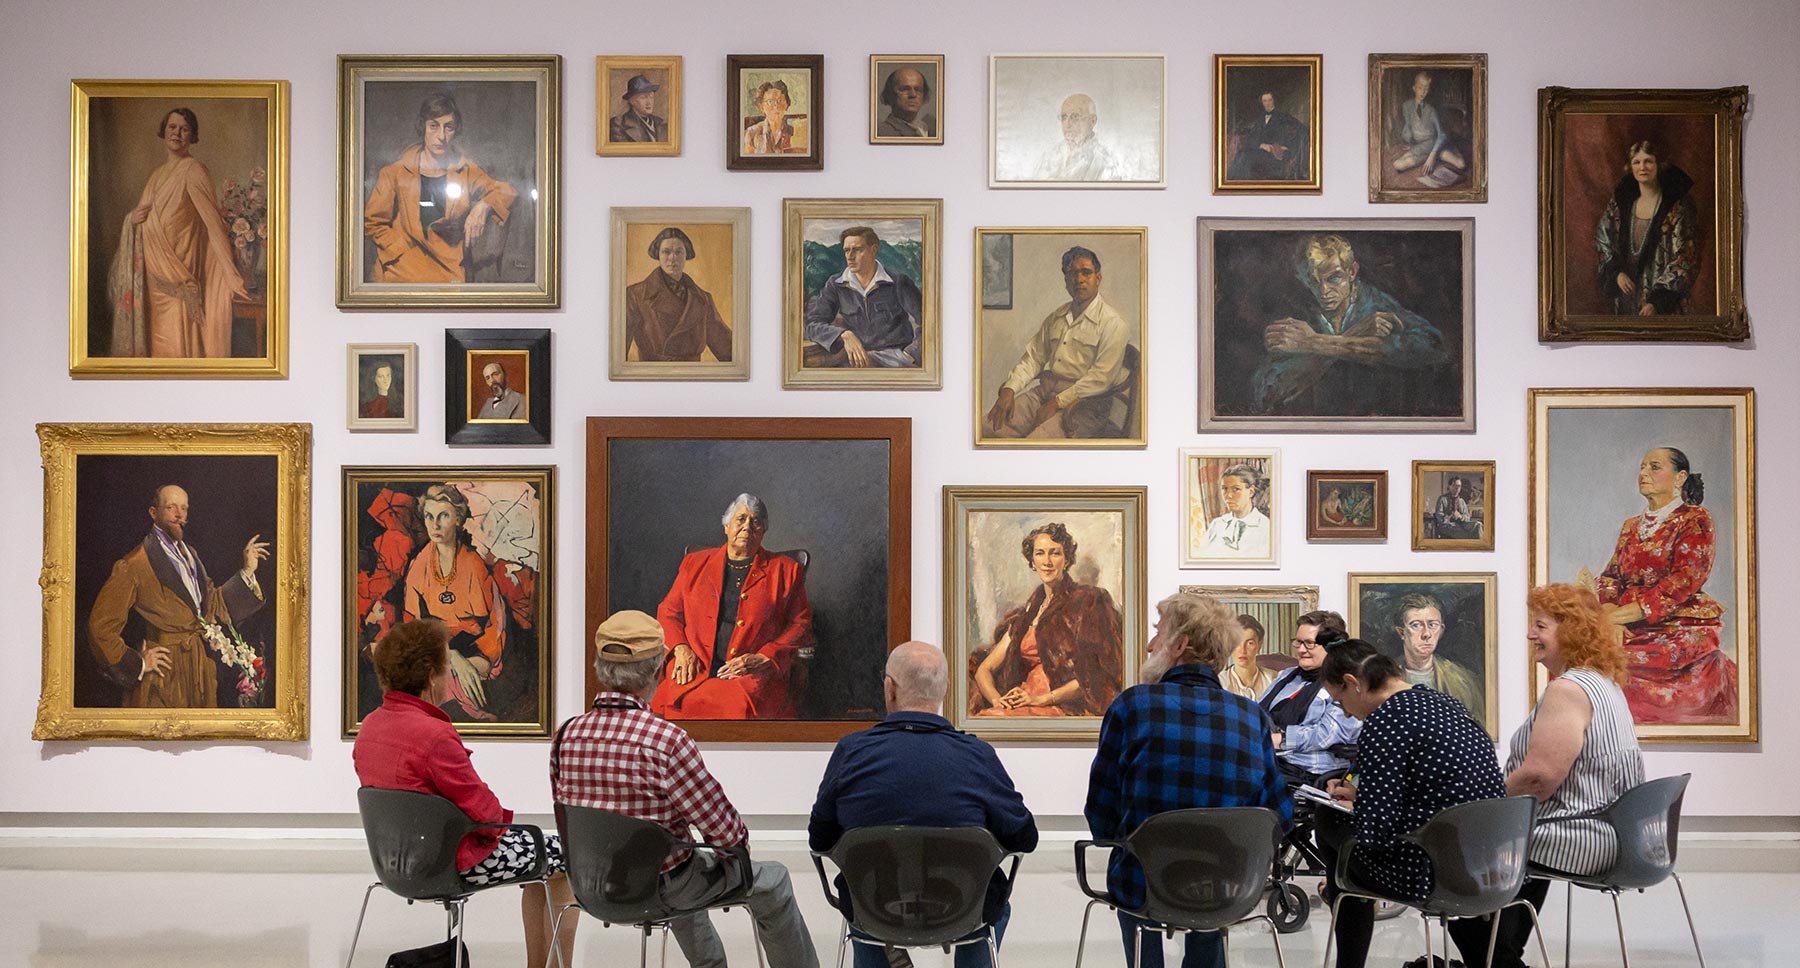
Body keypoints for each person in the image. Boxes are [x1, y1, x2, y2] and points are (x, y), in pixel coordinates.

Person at [553, 611, 817, 968]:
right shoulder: (666, 741)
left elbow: (568, 816)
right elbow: (726, 834)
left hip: (591, 886)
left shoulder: (566, 735)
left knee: (677, 859)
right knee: (770, 880)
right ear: (660, 670)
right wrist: (733, 850)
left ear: (600, 667)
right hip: (664, 887)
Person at [1086, 590, 1292, 968]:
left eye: (1157, 632)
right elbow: (1278, 813)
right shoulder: (1252, 717)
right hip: (1227, 887)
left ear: (1179, 645)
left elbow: (1101, 810)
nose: (1150, 644)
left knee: (1133, 880)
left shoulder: (1133, 705)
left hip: (1143, 881)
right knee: (1212, 889)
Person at [355, 619, 576, 968]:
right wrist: (504, 826)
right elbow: (484, 814)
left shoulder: (371, 726)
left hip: (395, 863)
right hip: (446, 864)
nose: (450, 675)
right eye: (446, 667)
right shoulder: (433, 734)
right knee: (562, 854)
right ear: (430, 676)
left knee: (540, 858)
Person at [1446, 584, 1645, 968]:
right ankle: (1498, 951)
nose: (1529, 634)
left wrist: (1483, 808)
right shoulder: (1603, 684)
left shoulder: (1568, 690)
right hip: (1610, 831)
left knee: (1464, 845)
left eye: (1540, 626)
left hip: (1583, 835)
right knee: (1496, 870)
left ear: (1570, 630)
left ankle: (1495, 952)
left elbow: (1539, 779)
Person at [810, 641, 1037, 968]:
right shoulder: (978, 757)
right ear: (944, 690)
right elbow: (1024, 838)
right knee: (994, 904)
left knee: (861, 905)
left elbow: (820, 839)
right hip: (961, 907)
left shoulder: (851, 752)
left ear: (890, 689)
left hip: (874, 905)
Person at [1314, 638, 1505, 968]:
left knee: (1329, 823)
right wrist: (1365, 795)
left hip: (1428, 872)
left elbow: (1375, 834)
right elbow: (1435, 787)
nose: (1345, 711)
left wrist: (1357, 809)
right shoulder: (1447, 704)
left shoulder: (1384, 721)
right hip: (1488, 864)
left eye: (1339, 700)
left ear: (1352, 683)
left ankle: (1349, 963)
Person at [1583, 446, 1735, 724]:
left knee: (1627, 665)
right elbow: (1611, 576)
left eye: (1654, 467)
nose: (1643, 473)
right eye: (1642, 467)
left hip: (1677, 622)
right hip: (1626, 620)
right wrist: (1610, 617)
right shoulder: (1631, 526)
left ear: (1680, 478)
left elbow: (1682, 582)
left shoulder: (1695, 519)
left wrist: (1616, 616)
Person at [86, 484, 269, 708]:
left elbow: (212, 605)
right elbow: (100, 627)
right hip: (164, 679)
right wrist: (138, 664)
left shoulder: (190, 554)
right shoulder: (134, 564)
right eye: (171, 507)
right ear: (154, 513)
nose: (179, 514)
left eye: (184, 508)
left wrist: (247, 571)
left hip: (198, 672)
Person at [1251, 234, 1450, 417]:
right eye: (1313, 281)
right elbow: (1264, 395)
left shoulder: (1376, 305)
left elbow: (1435, 346)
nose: (1324, 291)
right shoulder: (1299, 311)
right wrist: (1353, 335)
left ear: (1352, 271)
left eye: (1334, 278)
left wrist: (1313, 343)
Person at [653, 494, 813, 720]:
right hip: (694, 668)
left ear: (763, 531)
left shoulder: (786, 571)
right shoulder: (695, 563)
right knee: (673, 704)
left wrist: (764, 657)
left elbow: (801, 625)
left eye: (756, 521)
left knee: (728, 711)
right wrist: (681, 648)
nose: (747, 527)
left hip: (750, 675)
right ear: (726, 526)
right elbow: (668, 612)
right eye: (740, 519)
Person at [107, 107, 249, 359]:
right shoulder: (156, 176)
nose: (177, 133)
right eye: (172, 127)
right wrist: (132, 219)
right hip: (153, 286)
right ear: (164, 132)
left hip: (179, 284)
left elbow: (213, 224)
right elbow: (141, 217)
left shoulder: (193, 170)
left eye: (184, 129)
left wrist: (230, 274)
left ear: (192, 136)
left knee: (180, 357)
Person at [972, 522, 1124, 717]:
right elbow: (984, 669)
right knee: (987, 717)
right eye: (1040, 553)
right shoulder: (1028, 614)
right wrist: (997, 700)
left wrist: (1042, 699)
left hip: (1062, 705)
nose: (1047, 561)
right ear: (1032, 561)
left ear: (1067, 559)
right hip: (1024, 701)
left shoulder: (1087, 601)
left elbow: (1094, 675)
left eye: (1055, 553)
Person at [363, 92, 518, 284]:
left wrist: (483, 206)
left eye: (449, 128)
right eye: (434, 126)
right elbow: (373, 223)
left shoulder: (465, 170)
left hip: (449, 272)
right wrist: (399, 250)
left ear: (456, 130)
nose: (441, 136)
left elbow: (507, 191)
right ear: (423, 127)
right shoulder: (394, 172)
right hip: (399, 273)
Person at [985, 246, 1132, 439]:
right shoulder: (1056, 317)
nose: (1078, 279)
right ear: (1065, 280)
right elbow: (1033, 359)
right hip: (1044, 392)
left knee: (1036, 446)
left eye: (1086, 272)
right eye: (1071, 273)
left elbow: (1100, 379)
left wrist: (1057, 403)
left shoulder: (1113, 324)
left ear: (1098, 278)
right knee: (986, 428)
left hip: (1085, 405)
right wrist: (1009, 389)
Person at [401, 484, 507, 721]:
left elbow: (494, 625)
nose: (434, 525)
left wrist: (475, 659)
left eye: (443, 516)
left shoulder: (474, 565)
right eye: (429, 516)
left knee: (451, 681)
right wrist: (451, 655)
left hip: (477, 648)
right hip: (435, 648)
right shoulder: (418, 566)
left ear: (458, 519)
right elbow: (413, 626)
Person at [1595, 140, 1700, 316]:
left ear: (1659, 165)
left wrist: (1658, 302)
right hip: (1628, 296)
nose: (1642, 167)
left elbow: (1686, 256)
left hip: (1665, 303)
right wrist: (1617, 273)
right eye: (1636, 162)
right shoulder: (1620, 205)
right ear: (1630, 167)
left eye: (1648, 161)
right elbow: (1603, 238)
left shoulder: (1677, 205)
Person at [1257, 611, 1361, 783]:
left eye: (1309, 643)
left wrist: (1281, 740)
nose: (1301, 649)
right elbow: (1258, 708)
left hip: (1310, 773)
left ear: (1332, 646)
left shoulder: (1344, 682)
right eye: (1298, 642)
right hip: (1272, 762)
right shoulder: (1287, 675)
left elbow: (1328, 734)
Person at [803, 226, 923, 368]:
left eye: (857, 250)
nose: (850, 256)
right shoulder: (836, 284)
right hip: (856, 360)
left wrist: (911, 354)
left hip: (897, 359)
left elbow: (930, 323)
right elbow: (812, 324)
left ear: (873, 250)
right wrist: (844, 334)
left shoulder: (898, 282)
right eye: (847, 250)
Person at [624, 227, 733, 363]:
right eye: (666, 252)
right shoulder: (635, 295)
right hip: (652, 378)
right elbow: (618, 354)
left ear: (686, 255)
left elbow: (727, 349)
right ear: (658, 255)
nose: (672, 258)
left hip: (693, 379)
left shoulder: (703, 299)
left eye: (678, 252)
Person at [1389, 593, 1485, 727]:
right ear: (1401, 632)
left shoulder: (1464, 680)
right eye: (1416, 625)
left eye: (1432, 625)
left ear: (1441, 631)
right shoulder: (1384, 677)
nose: (1426, 634)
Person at [1389, 71, 1466, 186]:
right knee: (1397, 165)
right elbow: (1409, 128)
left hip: (1435, 145)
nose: (1423, 92)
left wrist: (1432, 156)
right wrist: (1409, 138)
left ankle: (1445, 152)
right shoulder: (1406, 106)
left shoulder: (1431, 110)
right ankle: (1430, 155)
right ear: (1414, 88)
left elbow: (1442, 135)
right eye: (1420, 88)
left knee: (1461, 164)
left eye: (1426, 88)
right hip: (1421, 146)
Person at [1031, 94, 1122, 181]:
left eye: (1075, 117)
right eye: (1064, 117)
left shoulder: (1105, 161)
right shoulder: (1051, 155)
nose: (1067, 124)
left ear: (1092, 121)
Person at [1227, 92, 1306, 181]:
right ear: (1262, 103)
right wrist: (1261, 145)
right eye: (1264, 101)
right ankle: (1230, 182)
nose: (1267, 103)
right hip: (1262, 151)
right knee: (1240, 153)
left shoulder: (1282, 116)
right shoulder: (1261, 118)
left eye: (1269, 100)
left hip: (1275, 155)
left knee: (1245, 156)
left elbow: (1302, 129)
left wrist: (1286, 147)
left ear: (1273, 101)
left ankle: (1234, 185)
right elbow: (1252, 137)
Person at [1199, 463, 1270, 558]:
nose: (1228, 495)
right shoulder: (1216, 525)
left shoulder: (1266, 527)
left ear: (1251, 492)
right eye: (1225, 489)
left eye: (1235, 489)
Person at [743, 80, 806, 155]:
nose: (776, 106)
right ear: (762, 107)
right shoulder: (752, 133)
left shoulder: (794, 133)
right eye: (770, 101)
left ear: (786, 104)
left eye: (780, 100)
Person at [1222, 615, 1274, 700]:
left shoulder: (1273, 679)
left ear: (1259, 645)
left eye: (1250, 643)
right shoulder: (1220, 683)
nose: (1243, 650)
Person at [877, 67, 935, 138]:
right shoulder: (882, 132)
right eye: (904, 89)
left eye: (918, 90)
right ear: (890, 94)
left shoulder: (929, 128)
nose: (913, 95)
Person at [610, 73, 668, 143]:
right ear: (632, 101)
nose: (649, 102)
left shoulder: (661, 124)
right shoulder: (618, 125)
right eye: (643, 97)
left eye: (651, 97)